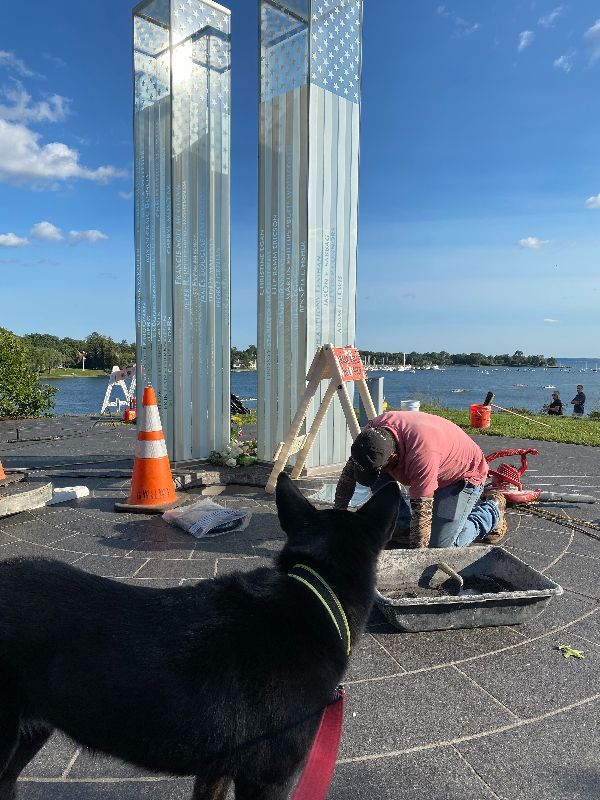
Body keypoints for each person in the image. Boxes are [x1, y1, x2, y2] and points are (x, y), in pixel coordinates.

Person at [334, 411, 507, 549]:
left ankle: (491, 512)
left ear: (393, 456)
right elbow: (348, 477)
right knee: (377, 475)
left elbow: (422, 515)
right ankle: (401, 525)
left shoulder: (421, 456)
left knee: (440, 548)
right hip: (435, 460)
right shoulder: (370, 438)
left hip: (463, 476)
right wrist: (336, 520)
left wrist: (416, 559)